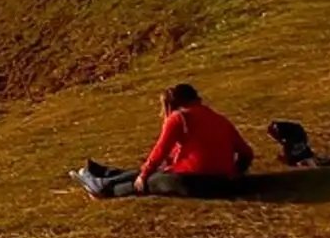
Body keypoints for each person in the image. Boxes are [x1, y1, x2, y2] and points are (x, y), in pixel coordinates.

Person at [73, 83, 254, 198]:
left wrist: (143, 175)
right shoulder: (219, 119)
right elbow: (246, 153)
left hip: (191, 181)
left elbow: (160, 151)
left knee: (150, 181)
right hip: (222, 182)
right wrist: (235, 172)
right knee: (156, 173)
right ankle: (104, 175)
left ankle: (104, 189)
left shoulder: (179, 117)